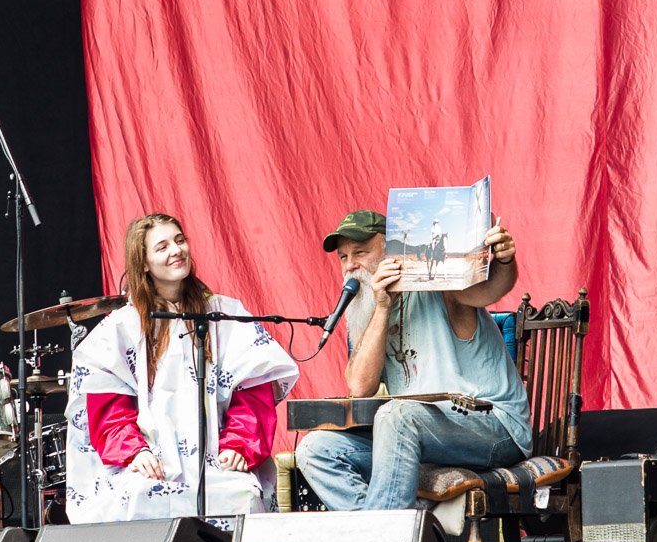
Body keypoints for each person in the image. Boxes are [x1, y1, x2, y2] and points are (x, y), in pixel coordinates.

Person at [64, 213, 299, 522]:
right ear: (144, 263)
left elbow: (253, 394)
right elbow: (108, 410)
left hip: (217, 460)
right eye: (162, 247)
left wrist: (239, 445)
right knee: (137, 498)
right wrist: (135, 452)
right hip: (148, 461)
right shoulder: (120, 328)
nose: (176, 250)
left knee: (240, 496)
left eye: (179, 240)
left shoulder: (224, 314)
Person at [295, 209, 531, 510]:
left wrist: (505, 260)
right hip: (417, 435)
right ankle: (385, 534)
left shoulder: (437, 281)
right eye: (343, 257)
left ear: (391, 250)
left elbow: (490, 289)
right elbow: (360, 386)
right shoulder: (366, 310)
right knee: (316, 449)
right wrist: (381, 308)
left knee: (396, 416)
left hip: (493, 428)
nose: (351, 265)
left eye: (361, 252)